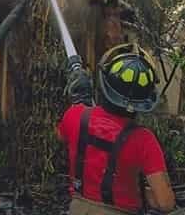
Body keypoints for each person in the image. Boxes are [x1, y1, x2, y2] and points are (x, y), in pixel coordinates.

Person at [59, 43, 176, 214]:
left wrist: (79, 103)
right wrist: (145, 193)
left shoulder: (75, 116)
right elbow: (165, 203)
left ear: (104, 84)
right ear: (143, 102)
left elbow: (61, 136)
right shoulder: (144, 140)